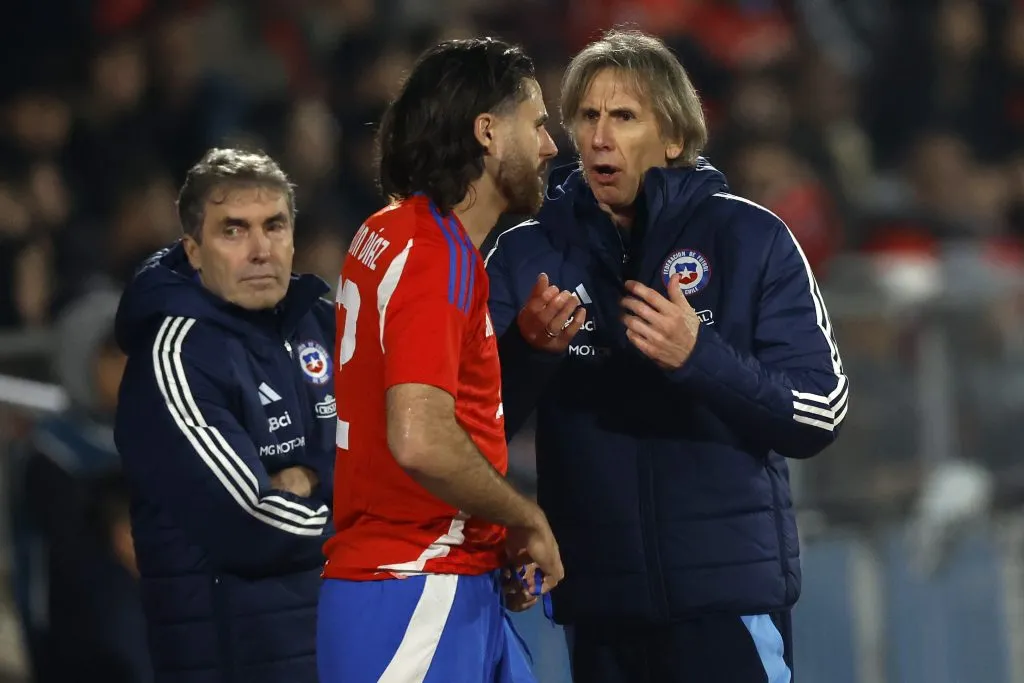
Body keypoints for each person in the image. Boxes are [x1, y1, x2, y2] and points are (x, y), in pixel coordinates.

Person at [486, 29, 849, 683]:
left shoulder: (751, 236)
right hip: (600, 612)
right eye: (587, 117)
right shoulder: (525, 255)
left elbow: (819, 411)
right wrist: (530, 353)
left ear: (674, 137)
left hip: (727, 604)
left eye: (623, 116)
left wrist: (698, 356)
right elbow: (469, 429)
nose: (599, 136)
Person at [317, 37, 579, 683]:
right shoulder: (434, 253)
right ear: (487, 131)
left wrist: (494, 534)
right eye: (538, 124)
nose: (551, 146)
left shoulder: (391, 233)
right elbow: (420, 437)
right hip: (413, 588)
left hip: (442, 579)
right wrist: (525, 514)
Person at [113, 148, 336, 683]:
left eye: (274, 226)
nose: (260, 250)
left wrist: (312, 478)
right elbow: (253, 521)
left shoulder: (322, 324)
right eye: (233, 231)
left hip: (334, 647)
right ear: (193, 250)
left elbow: (391, 449)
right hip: (235, 660)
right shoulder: (175, 357)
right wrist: (371, 519)